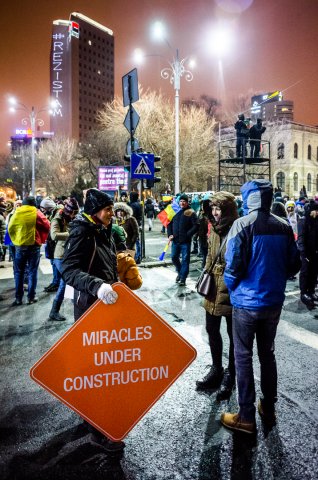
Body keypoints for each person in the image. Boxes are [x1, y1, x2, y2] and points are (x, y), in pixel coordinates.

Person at [221, 179, 301, 434]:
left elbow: (233, 266)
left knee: (243, 357)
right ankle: (268, 406)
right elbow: (294, 265)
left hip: (246, 303)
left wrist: (233, 288)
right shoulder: (283, 226)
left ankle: (245, 416)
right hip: (273, 302)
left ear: (249, 198)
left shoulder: (242, 225)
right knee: (268, 354)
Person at [60, 188, 124, 452]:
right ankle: (96, 425)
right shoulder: (83, 231)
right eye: (108, 209)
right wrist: (97, 286)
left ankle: (103, 416)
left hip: (108, 304)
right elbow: (68, 269)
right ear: (96, 211)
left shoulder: (104, 230)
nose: (113, 213)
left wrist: (121, 272)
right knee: (94, 367)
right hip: (89, 305)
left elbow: (104, 262)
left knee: (108, 366)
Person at [196, 192, 238, 401]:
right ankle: (216, 369)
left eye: (218, 209)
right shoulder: (213, 228)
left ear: (228, 210)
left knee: (234, 336)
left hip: (230, 288)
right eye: (212, 208)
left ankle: (231, 374)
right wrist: (205, 274)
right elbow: (209, 256)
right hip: (213, 287)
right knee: (212, 329)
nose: (214, 212)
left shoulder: (237, 229)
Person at [8, 196, 50, 306]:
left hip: (20, 246)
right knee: (32, 272)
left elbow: (10, 227)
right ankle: (31, 297)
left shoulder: (17, 212)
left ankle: (18, 299)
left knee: (19, 272)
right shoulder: (36, 212)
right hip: (34, 246)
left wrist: (16, 239)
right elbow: (47, 225)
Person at [48, 197, 79, 321]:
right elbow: (54, 235)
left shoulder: (72, 218)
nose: (75, 215)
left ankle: (55, 311)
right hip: (60, 256)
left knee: (65, 283)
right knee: (69, 281)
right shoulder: (58, 218)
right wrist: (72, 234)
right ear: (69, 211)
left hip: (69, 254)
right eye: (74, 212)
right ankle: (79, 308)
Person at [167, 193, 198, 286]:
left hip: (185, 242)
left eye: (184, 201)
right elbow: (169, 223)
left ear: (187, 202)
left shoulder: (191, 212)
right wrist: (170, 234)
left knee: (185, 260)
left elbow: (196, 225)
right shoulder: (175, 211)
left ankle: (183, 278)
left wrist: (188, 234)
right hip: (175, 240)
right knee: (173, 257)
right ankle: (180, 272)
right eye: (181, 201)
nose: (182, 203)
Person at [297, 200, 318, 309]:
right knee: (305, 272)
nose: (317, 212)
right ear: (310, 210)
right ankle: (304, 292)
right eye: (315, 210)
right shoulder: (303, 221)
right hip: (306, 252)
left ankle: (311, 291)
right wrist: (303, 253)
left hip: (315, 252)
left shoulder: (316, 221)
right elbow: (301, 238)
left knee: (314, 272)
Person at [40, 197, 60, 292]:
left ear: (48, 207)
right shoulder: (51, 214)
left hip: (56, 244)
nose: (42, 210)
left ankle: (57, 283)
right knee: (53, 264)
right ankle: (55, 282)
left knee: (56, 264)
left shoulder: (58, 214)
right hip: (51, 244)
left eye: (43, 208)